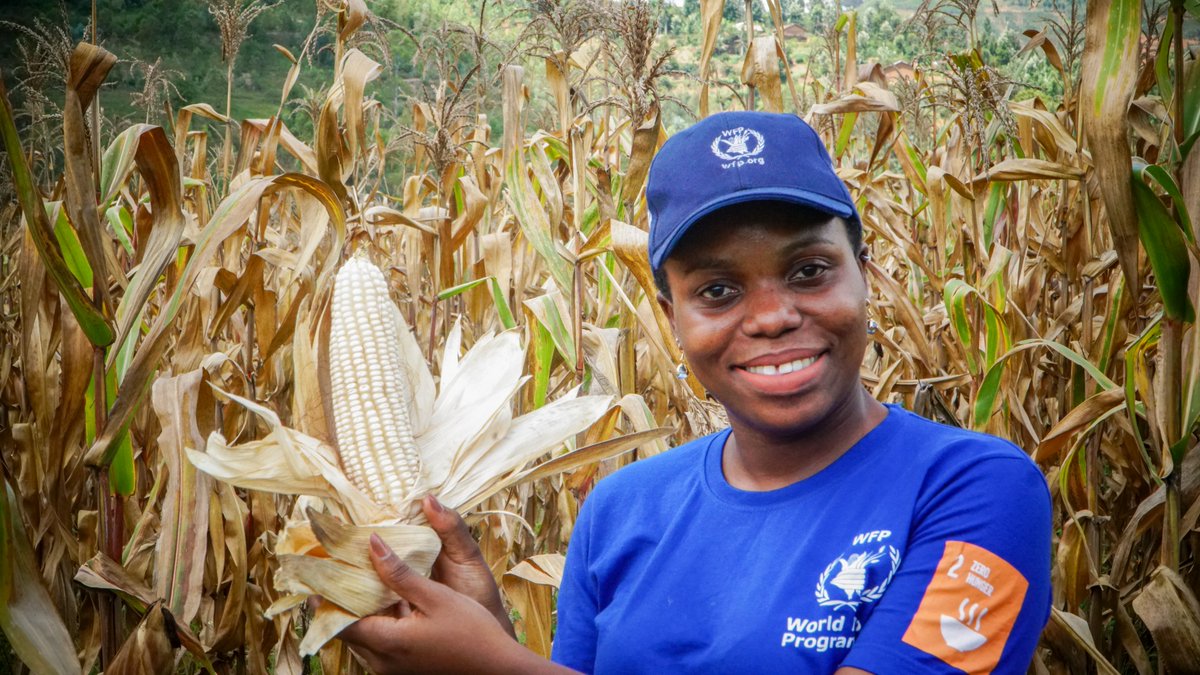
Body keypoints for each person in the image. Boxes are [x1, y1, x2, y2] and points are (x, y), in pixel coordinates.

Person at [338, 111, 1052, 674]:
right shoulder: (619, 511)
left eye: (809, 270)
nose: (773, 316)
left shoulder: (977, 489)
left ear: (864, 272)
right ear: (669, 315)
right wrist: (487, 637)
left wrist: (499, 667)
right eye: (717, 290)